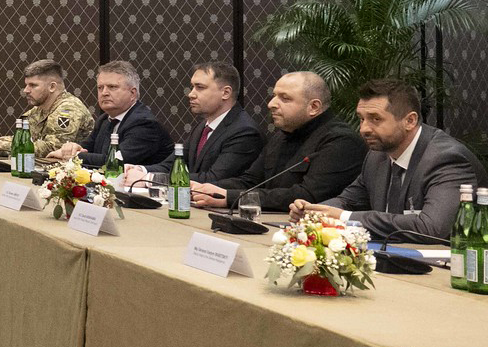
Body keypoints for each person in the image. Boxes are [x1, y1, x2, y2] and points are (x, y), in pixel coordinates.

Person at [293, 78, 485, 243]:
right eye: (361, 119)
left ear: (410, 121)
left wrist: (344, 218)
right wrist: (312, 211)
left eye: (375, 119)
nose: (364, 129)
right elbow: (347, 201)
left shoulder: (446, 159)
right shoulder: (377, 155)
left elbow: (432, 229)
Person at [194, 72, 365, 213]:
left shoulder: (341, 141)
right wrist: (206, 189)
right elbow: (250, 181)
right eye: (274, 96)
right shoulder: (283, 135)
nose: (271, 104)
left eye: (285, 98)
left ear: (314, 107)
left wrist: (229, 197)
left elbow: (307, 196)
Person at [49, 59, 173, 170]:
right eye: (100, 88)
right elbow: (86, 147)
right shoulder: (105, 119)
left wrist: (74, 155)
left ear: (133, 94)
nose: (104, 93)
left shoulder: (145, 124)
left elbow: (114, 161)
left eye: (112, 87)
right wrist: (72, 147)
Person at [152, 60, 262, 184]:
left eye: (200, 87)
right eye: (192, 87)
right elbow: (171, 166)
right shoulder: (203, 127)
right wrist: (140, 171)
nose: (191, 94)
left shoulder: (244, 132)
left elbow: (213, 179)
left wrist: (152, 179)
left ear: (225, 93)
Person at [0, 59, 92, 161]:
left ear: (52, 87)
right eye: (26, 85)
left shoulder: (68, 109)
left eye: (33, 85)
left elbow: (53, 149)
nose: (26, 90)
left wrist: (2, 146)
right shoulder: (38, 110)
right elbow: (24, 140)